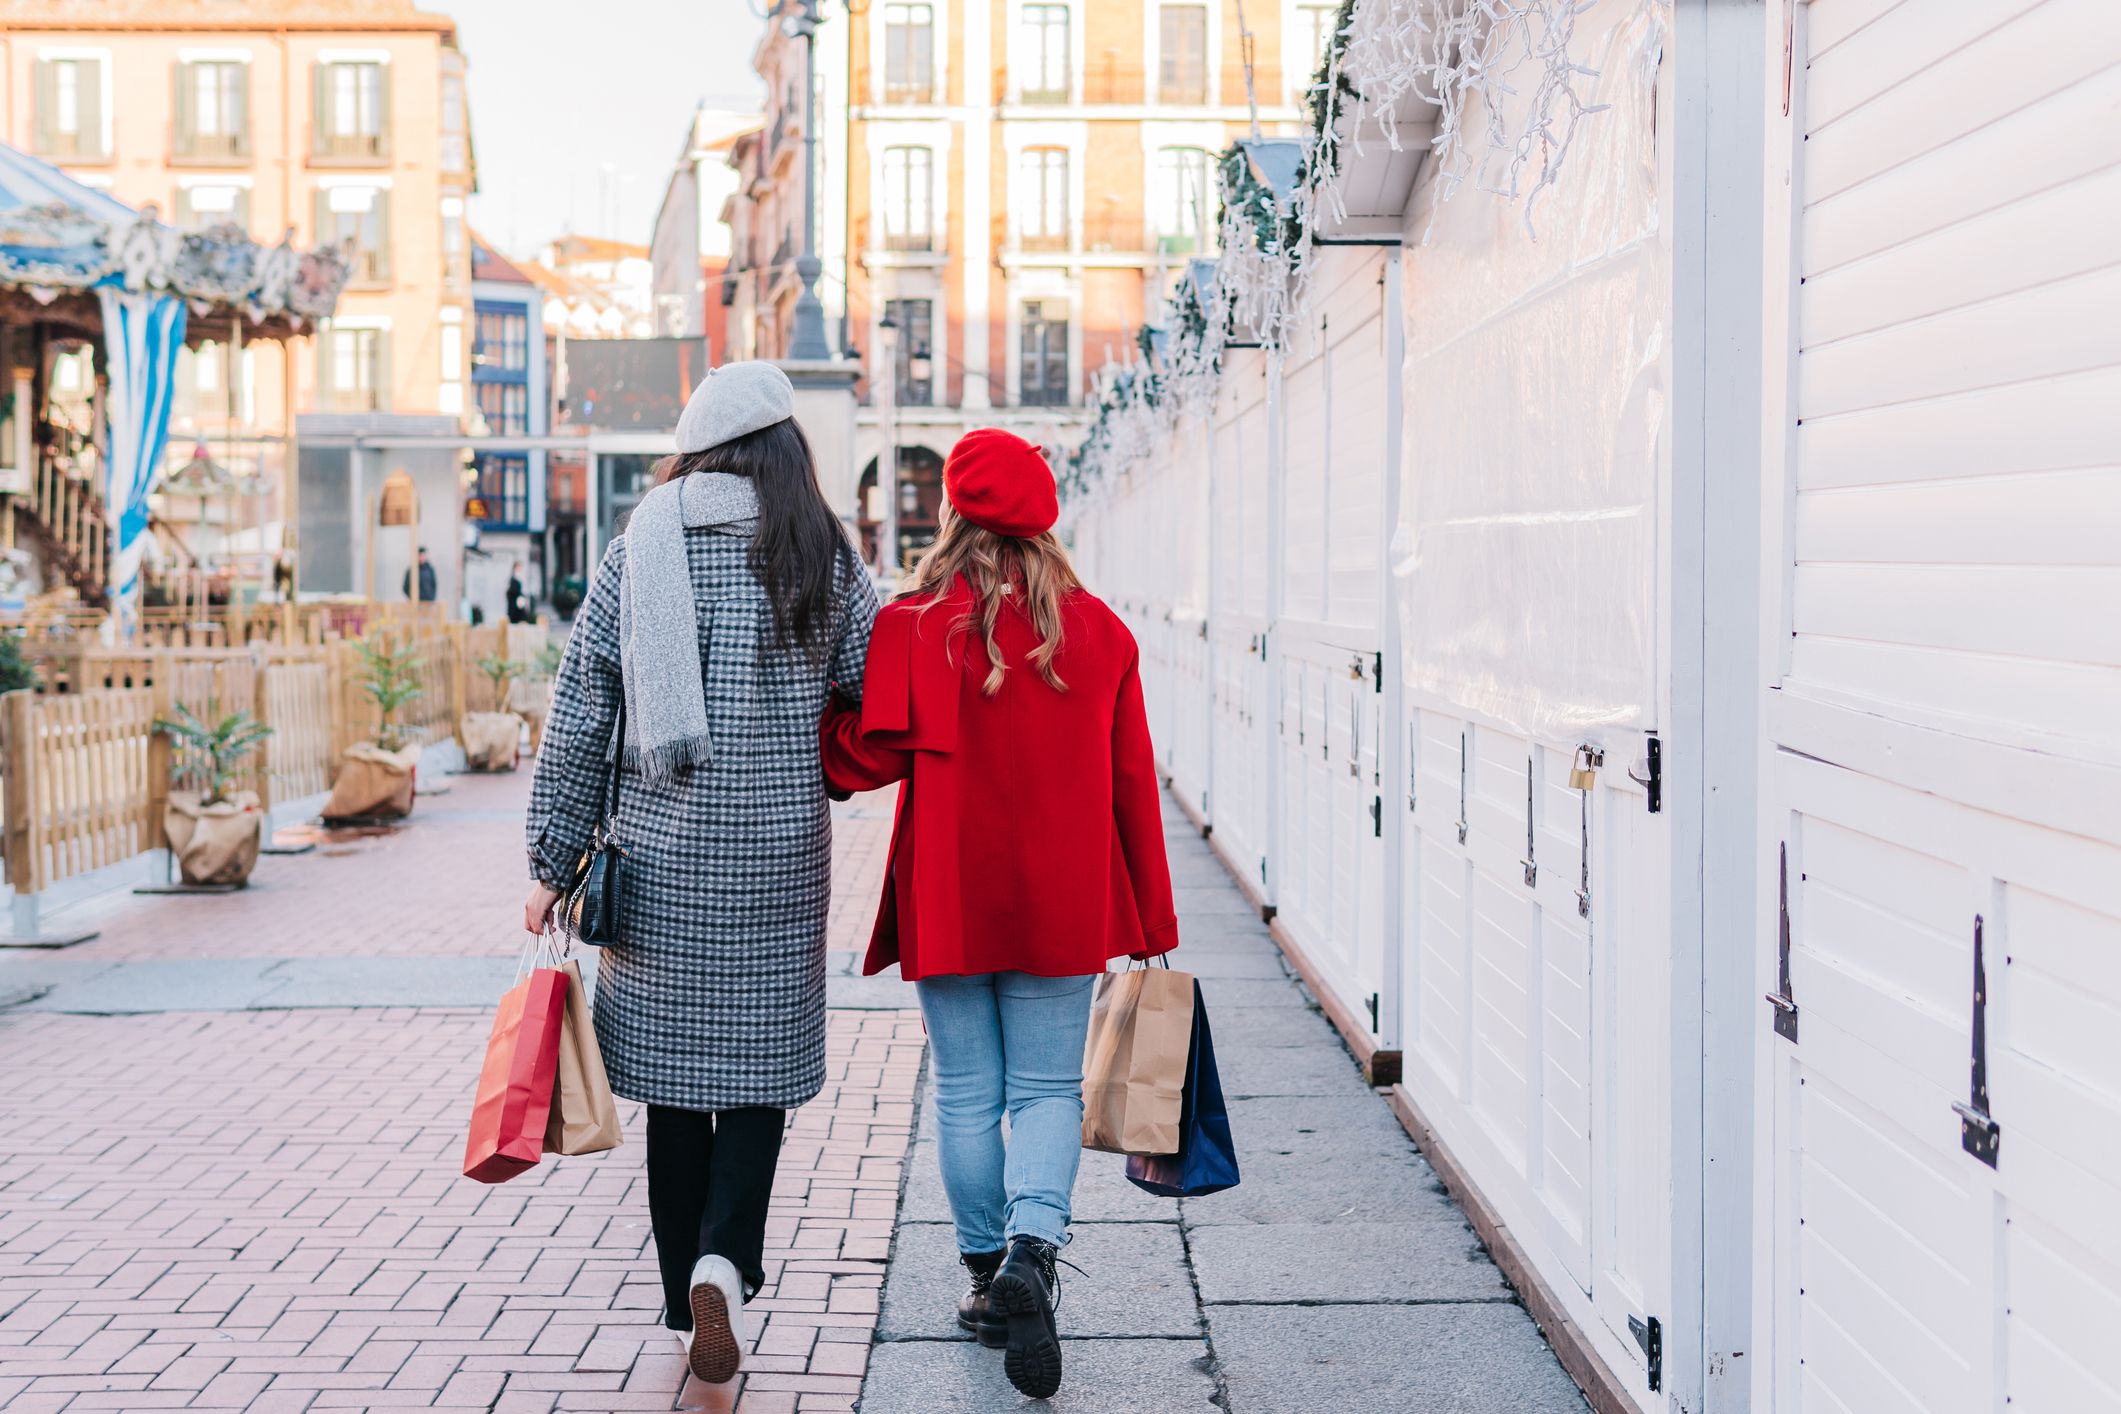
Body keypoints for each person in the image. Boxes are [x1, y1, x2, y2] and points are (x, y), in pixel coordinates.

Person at [523, 362, 878, 1387]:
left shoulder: (643, 544)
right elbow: (867, 684)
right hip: (778, 860)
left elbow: (583, 708)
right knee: (758, 1077)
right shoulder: (819, 548)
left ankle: (688, 1305)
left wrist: (551, 860)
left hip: (660, 859)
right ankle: (727, 1257)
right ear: (784, 445)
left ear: (696, 447)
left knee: (676, 1092)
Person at [819, 427, 1178, 1399]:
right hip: (1062, 895)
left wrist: (821, 719)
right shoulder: (1100, 634)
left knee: (966, 1090)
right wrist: (1151, 921)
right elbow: (1133, 785)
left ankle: (986, 1278)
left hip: (949, 891)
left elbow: (862, 757)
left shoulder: (913, 627)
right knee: (1048, 1089)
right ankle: (1033, 1249)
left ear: (953, 514)